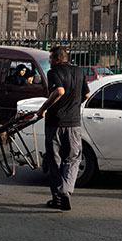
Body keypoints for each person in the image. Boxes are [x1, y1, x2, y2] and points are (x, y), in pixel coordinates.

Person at [38, 45, 90, 211]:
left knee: (55, 160)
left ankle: (57, 196)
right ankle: (66, 191)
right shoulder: (80, 72)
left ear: (58, 59)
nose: (50, 61)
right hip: (73, 123)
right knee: (73, 158)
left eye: (51, 58)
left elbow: (59, 91)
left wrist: (43, 108)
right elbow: (86, 95)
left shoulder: (54, 73)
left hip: (55, 123)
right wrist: (73, 106)